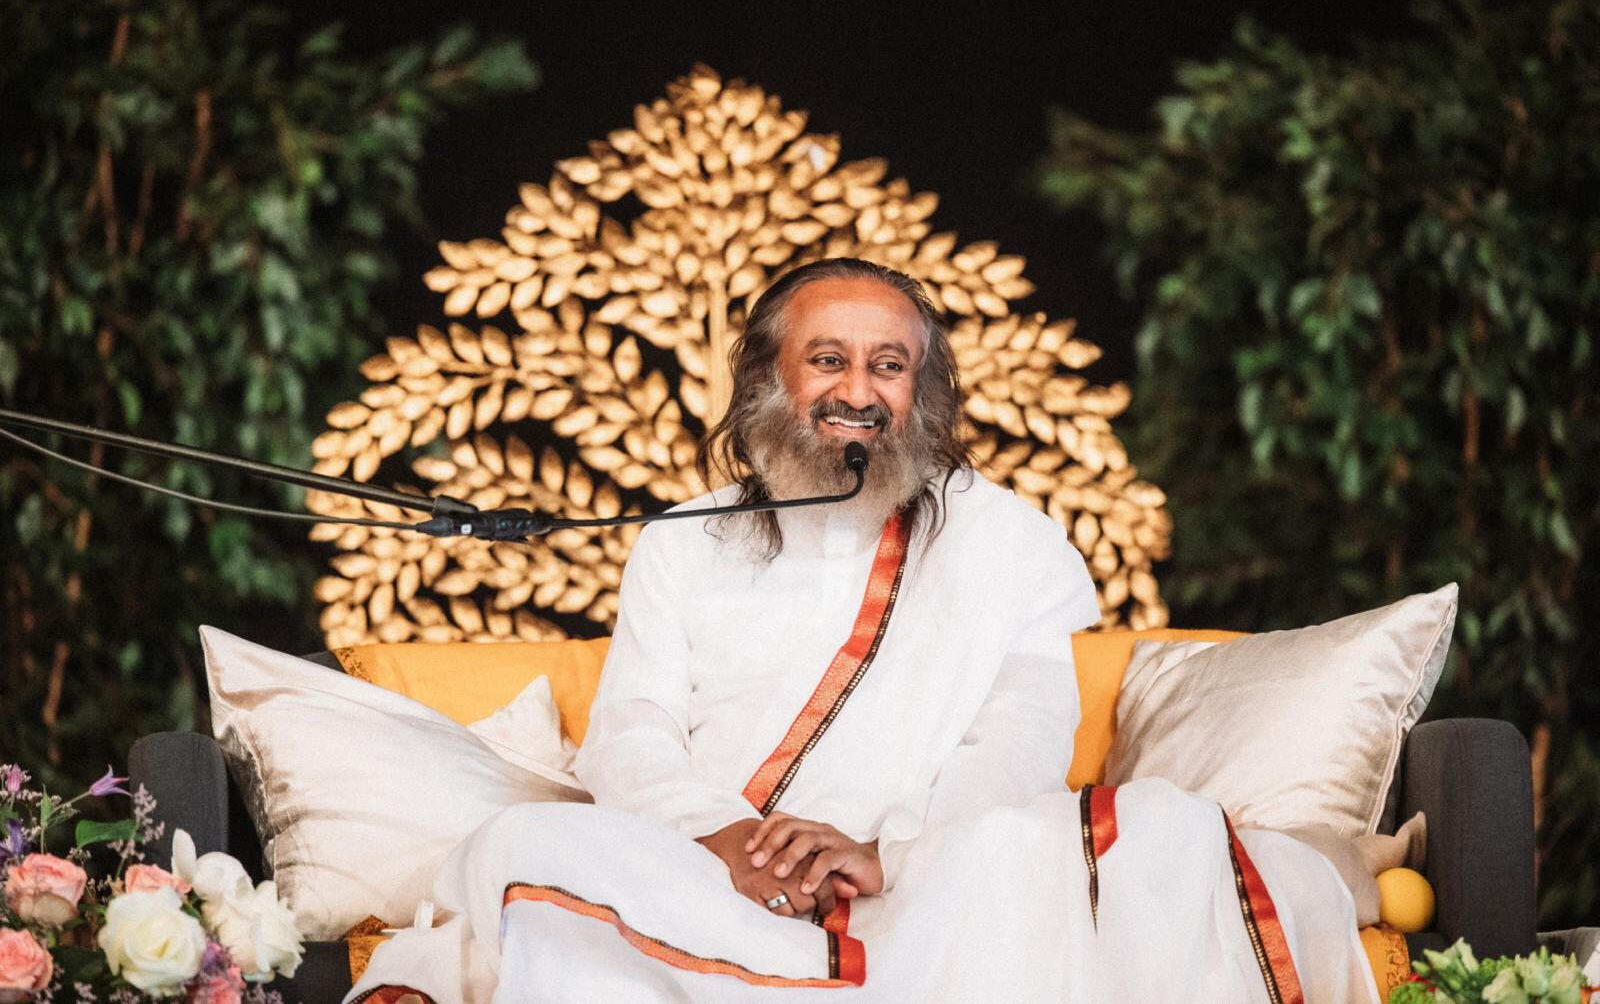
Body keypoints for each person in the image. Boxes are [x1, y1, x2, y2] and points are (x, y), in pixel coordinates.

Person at [347, 259, 1376, 1003]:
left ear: (921, 392)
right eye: (827, 358)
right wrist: (730, 840)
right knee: (521, 840)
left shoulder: (1008, 541)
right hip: (705, 867)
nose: (857, 389)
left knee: (1148, 831)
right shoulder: (681, 539)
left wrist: (883, 852)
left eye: (889, 365)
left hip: (927, 877)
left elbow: (1021, 737)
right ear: (770, 382)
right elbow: (633, 727)